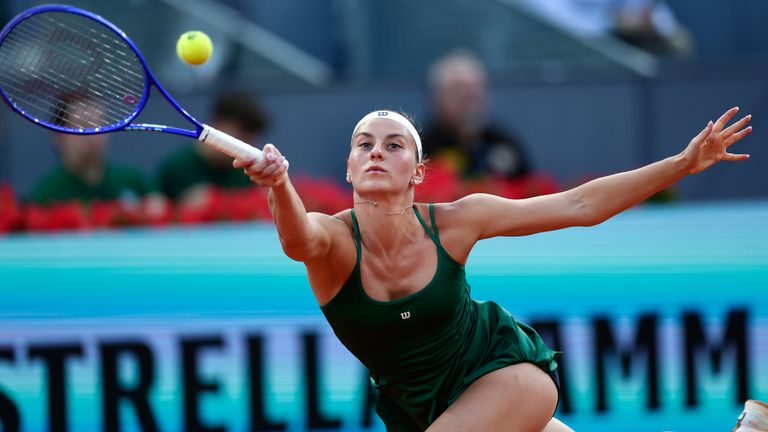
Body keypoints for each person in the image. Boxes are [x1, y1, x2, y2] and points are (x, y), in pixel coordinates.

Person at [234, 107, 751, 431]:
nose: (376, 152)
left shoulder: (459, 222)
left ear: (417, 172)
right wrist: (280, 185)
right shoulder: (334, 241)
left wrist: (683, 163)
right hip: (421, 411)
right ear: (348, 167)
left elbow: (579, 206)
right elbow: (296, 240)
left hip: (503, 377)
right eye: (364, 144)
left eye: (394, 146)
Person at [422, 51, 532, 180]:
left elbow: (531, 190)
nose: (471, 96)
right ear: (437, 98)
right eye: (458, 88)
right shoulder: (423, 149)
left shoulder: (503, 143)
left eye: (478, 87)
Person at [30, 97, 155, 205]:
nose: (93, 134)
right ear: (59, 135)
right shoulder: (46, 196)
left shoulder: (133, 182)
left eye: (99, 124)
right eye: (81, 125)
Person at [157, 92, 269, 207]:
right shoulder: (176, 167)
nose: (248, 144)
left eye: (252, 137)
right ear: (218, 124)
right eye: (243, 132)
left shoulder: (248, 170)